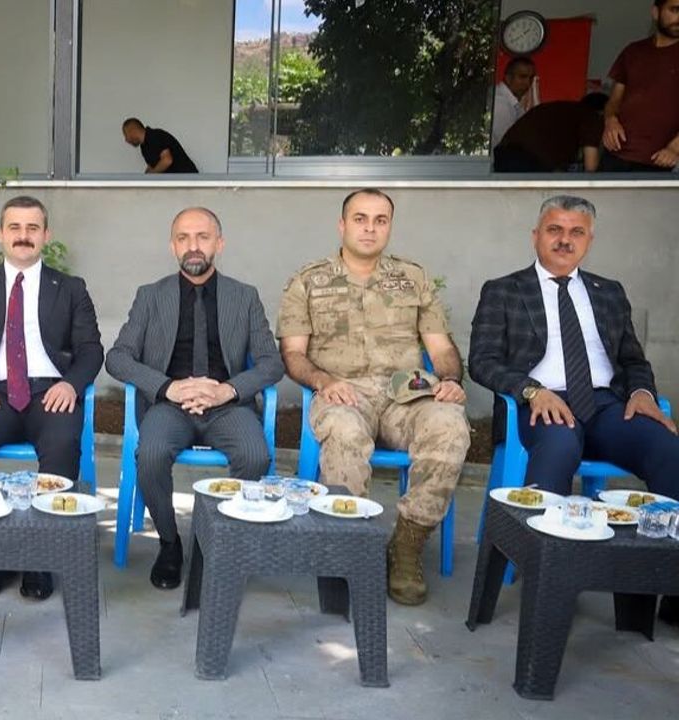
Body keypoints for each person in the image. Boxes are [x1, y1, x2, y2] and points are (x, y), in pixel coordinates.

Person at [277, 188, 469, 606]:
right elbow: (292, 354)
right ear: (342, 225)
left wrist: (451, 379)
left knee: (449, 424)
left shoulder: (413, 278)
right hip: (343, 391)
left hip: (407, 395)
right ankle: (351, 544)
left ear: (389, 227)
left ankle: (407, 545)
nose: (370, 228)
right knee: (345, 432)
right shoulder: (308, 281)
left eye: (380, 220)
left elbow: (441, 348)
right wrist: (323, 381)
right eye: (360, 219)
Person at [104, 207, 283, 590]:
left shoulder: (244, 297)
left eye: (203, 237)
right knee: (151, 454)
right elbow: (117, 357)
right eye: (183, 238)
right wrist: (167, 387)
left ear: (220, 243)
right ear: (173, 246)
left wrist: (227, 390)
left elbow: (272, 363)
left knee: (255, 455)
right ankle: (169, 544)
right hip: (170, 406)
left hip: (227, 406)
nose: (193, 246)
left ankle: (220, 541)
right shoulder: (151, 296)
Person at [0, 195, 103, 601]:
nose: (23, 236)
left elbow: (91, 349)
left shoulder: (70, 288)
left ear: (46, 235)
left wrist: (71, 385)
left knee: (63, 442)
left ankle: (41, 559)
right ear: (0, 234)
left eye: (32, 228)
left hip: (51, 393)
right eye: (14, 227)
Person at [468, 195, 678, 500]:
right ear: (536, 236)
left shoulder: (609, 292)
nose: (565, 240)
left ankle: (666, 531)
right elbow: (482, 361)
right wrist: (532, 390)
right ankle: (538, 532)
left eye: (577, 232)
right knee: (560, 445)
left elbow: (633, 360)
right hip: (539, 405)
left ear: (589, 241)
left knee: (665, 446)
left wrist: (642, 393)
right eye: (554, 230)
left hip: (606, 407)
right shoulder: (503, 290)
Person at [601, 0, 679, 172]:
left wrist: (675, 148)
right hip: (615, 155)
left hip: (661, 160)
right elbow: (614, 100)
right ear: (656, 12)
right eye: (675, 10)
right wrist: (610, 120)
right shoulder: (633, 51)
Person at [494, 93, 608, 173]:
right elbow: (590, 168)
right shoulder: (592, 117)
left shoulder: (562, 109)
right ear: (602, 112)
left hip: (502, 154)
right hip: (527, 161)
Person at [122, 118, 199, 174]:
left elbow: (167, 160)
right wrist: (143, 180)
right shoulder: (144, 146)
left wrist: (151, 175)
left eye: (126, 134)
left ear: (132, 131)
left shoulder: (155, 136)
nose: (126, 140)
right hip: (178, 183)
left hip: (188, 181)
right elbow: (152, 167)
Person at [491, 57, 537, 149]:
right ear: (508, 78)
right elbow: (509, 144)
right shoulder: (499, 102)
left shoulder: (513, 102)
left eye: (531, 78)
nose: (528, 83)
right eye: (522, 77)